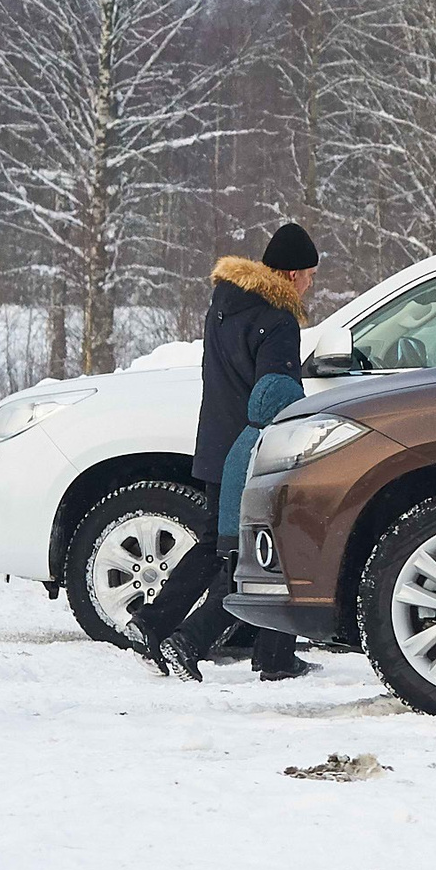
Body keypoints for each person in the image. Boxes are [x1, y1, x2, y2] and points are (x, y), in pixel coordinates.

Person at [125, 220, 316, 681]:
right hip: (251, 453)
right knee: (263, 551)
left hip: (215, 441)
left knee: (217, 544)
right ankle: (196, 642)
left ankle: (153, 623)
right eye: (309, 274)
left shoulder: (227, 306)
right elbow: (274, 396)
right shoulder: (277, 319)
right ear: (291, 275)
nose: (311, 283)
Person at [146, 371, 307, 682]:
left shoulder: (247, 438)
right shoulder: (269, 444)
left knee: (266, 592)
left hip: (233, 534)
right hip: (250, 536)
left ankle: (275, 658)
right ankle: (187, 642)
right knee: (247, 594)